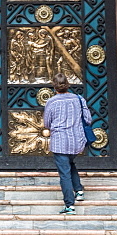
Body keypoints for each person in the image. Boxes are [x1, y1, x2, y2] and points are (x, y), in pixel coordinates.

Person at [43, 71, 91, 214]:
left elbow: (47, 123)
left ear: (54, 86)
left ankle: (70, 204)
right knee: (69, 163)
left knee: (64, 173)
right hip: (77, 140)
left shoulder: (51, 102)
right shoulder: (79, 99)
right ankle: (79, 190)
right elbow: (88, 119)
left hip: (60, 141)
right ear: (68, 85)